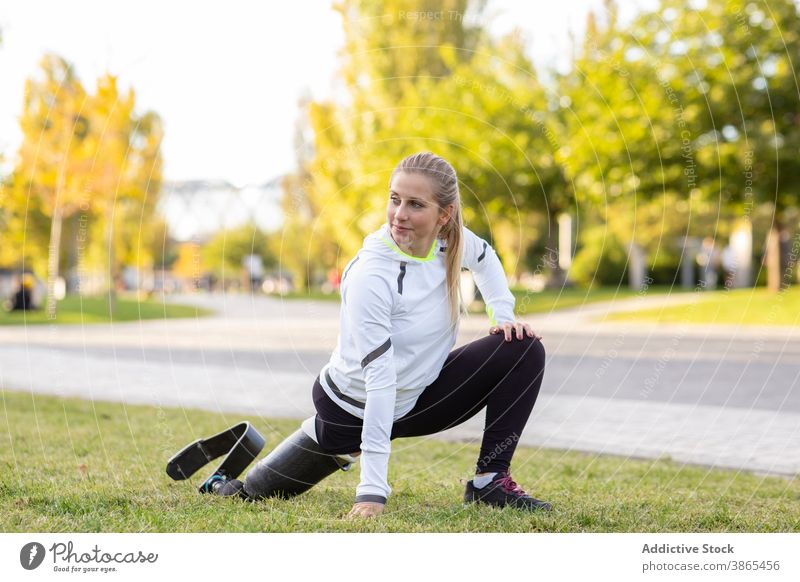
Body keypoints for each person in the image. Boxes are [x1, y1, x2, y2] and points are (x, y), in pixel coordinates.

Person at [210, 152, 549, 517]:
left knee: (524, 348)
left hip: (416, 399)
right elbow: (380, 379)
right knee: (251, 493)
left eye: (415, 204)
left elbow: (484, 257)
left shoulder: (448, 241)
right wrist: (371, 489)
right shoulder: (371, 275)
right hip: (349, 410)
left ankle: (490, 482)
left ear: (444, 215)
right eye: (395, 199)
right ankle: (228, 481)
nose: (400, 214)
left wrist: (504, 315)